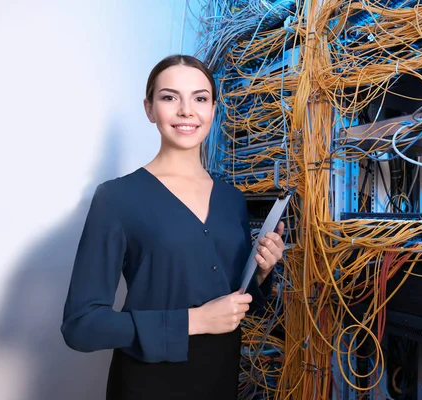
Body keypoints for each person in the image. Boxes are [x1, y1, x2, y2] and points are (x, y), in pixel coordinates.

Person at [61, 54, 285, 400]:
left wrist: (259, 273)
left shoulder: (231, 200)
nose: (186, 111)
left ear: (213, 109)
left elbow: (235, 303)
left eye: (200, 98)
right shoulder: (116, 198)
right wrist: (195, 321)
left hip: (220, 381)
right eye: (169, 97)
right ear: (150, 109)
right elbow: (81, 326)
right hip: (148, 386)